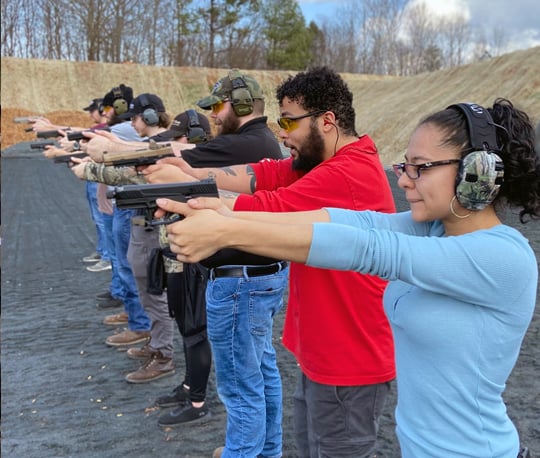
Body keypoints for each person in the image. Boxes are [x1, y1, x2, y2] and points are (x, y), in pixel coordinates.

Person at [158, 98, 540, 458]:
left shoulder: (502, 256)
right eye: (405, 166)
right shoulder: (435, 229)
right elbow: (345, 221)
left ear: (478, 173)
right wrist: (222, 211)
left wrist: (229, 233)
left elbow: (367, 248)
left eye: (420, 168)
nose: (405, 180)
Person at [144, 67, 395, 458]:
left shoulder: (347, 173)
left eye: (289, 121)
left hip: (349, 359)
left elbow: (270, 206)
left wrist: (201, 206)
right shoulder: (324, 163)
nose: (282, 133)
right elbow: (266, 175)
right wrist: (191, 175)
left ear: (327, 121)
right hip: (327, 351)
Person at [146, 70, 289, 454]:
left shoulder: (241, 145)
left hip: (240, 282)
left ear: (240, 105)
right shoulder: (259, 140)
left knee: (240, 389)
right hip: (259, 275)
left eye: (219, 107)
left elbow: (175, 157)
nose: (214, 117)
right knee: (261, 374)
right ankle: (266, 451)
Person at [73, 93, 176, 383]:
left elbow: (132, 175)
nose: (131, 122)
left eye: (136, 117)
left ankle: (163, 354)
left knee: (155, 293)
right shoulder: (149, 144)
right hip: (142, 225)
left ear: (152, 116)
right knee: (147, 290)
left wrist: (90, 169)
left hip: (152, 229)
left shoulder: (164, 146)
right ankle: (157, 344)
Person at [81, 98, 112, 272]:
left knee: (102, 219)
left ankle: (107, 255)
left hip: (99, 179)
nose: (90, 114)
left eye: (92, 110)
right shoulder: (97, 130)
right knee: (97, 218)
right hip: (93, 178)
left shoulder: (103, 131)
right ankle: (102, 251)